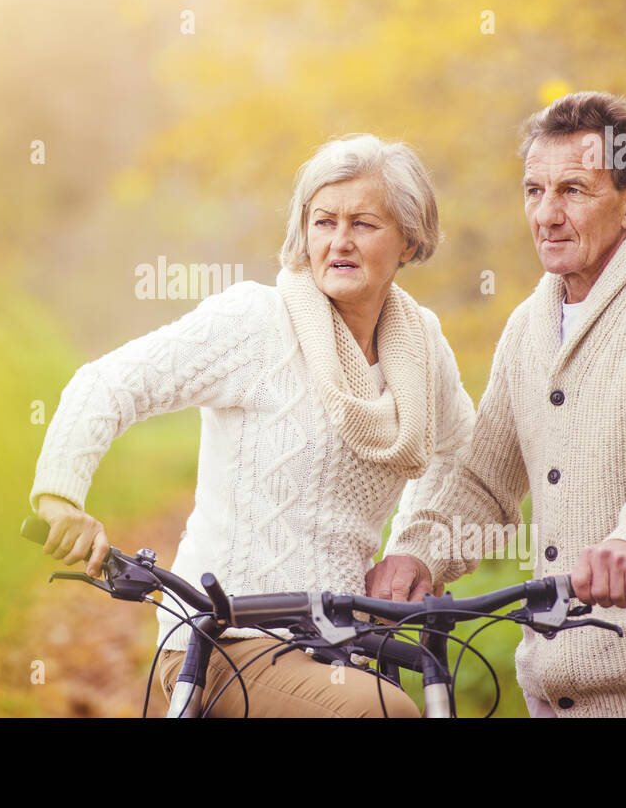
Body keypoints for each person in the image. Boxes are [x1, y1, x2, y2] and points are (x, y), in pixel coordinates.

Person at [30, 133, 476, 717]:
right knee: (381, 714)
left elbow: (463, 457)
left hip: (342, 644)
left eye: (364, 224)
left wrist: (414, 552)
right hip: (223, 639)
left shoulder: (422, 346)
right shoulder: (257, 323)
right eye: (323, 222)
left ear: (409, 240)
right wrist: (61, 497)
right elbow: (108, 383)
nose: (339, 241)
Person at [372, 91, 626, 717]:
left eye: (574, 191)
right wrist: (418, 553)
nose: (547, 214)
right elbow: (483, 481)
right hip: (556, 700)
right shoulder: (529, 325)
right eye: (534, 190)